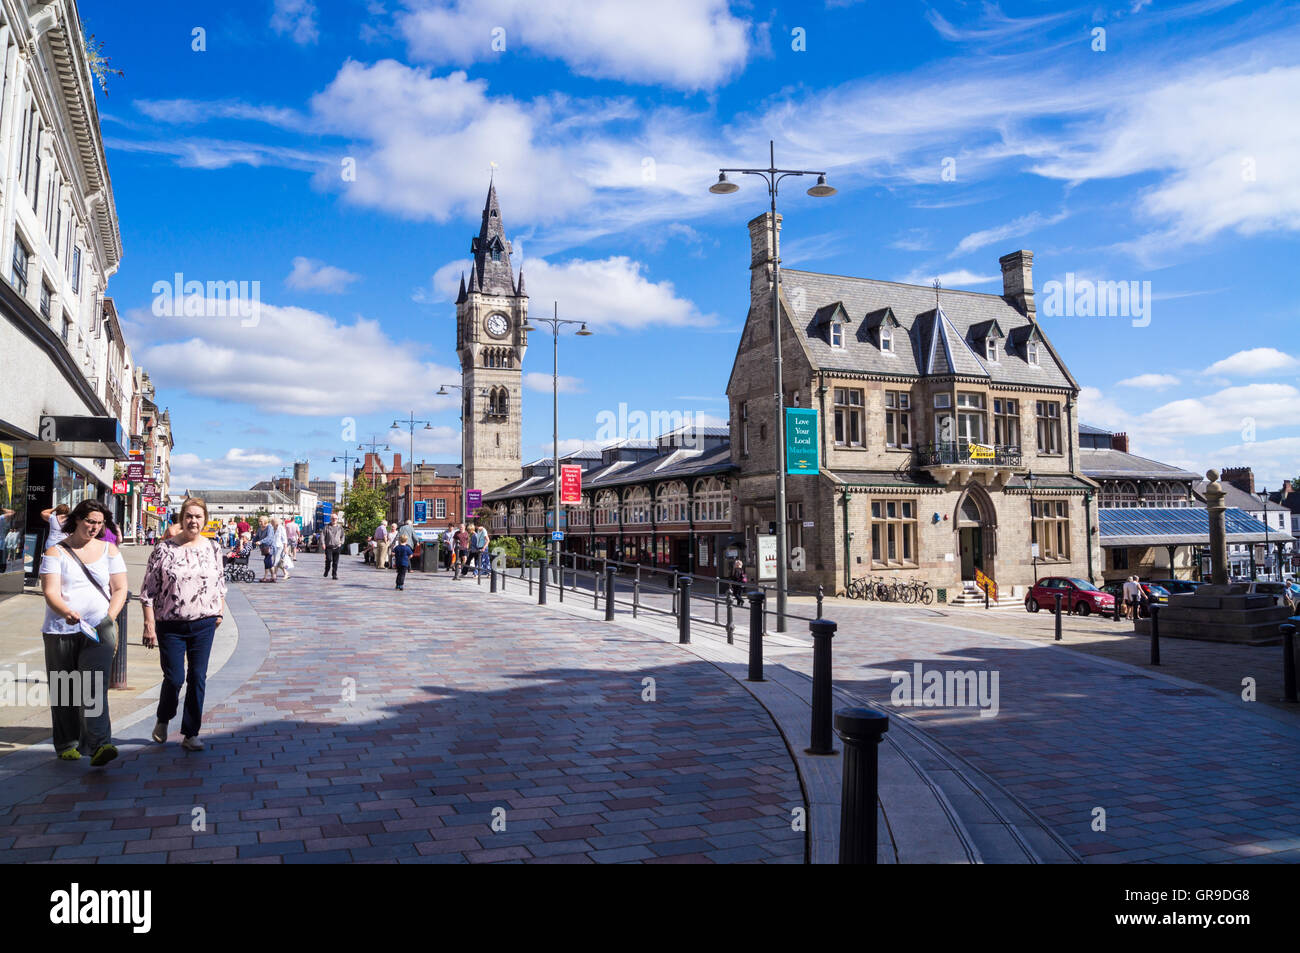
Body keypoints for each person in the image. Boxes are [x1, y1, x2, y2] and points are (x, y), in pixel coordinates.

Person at [39, 499, 128, 766]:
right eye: (90, 521)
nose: (94, 528)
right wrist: (65, 611)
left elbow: (120, 588)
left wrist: (109, 618)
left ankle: (100, 744)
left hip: (99, 629)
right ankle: (67, 743)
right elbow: (50, 591)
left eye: (99, 523)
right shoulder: (56, 552)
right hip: (60, 629)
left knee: (93, 687)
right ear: (77, 519)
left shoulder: (109, 550)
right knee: (65, 687)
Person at [140, 497, 227, 752]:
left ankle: (191, 733)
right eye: (189, 516)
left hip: (204, 622)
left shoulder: (213, 548)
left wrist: (218, 612)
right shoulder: (164, 549)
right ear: (181, 518)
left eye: (198, 517)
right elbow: (148, 590)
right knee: (175, 677)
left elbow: (219, 582)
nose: (193, 521)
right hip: (170, 624)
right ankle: (164, 717)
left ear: (205, 520)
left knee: (198, 677)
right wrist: (149, 623)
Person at [322, 515, 345, 580]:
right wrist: (323, 543)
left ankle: (334, 574)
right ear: (331, 519)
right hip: (329, 546)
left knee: (335, 562)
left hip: (337, 546)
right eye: (333, 518)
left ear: (337, 519)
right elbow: (322, 536)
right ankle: (327, 570)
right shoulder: (326, 527)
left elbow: (343, 536)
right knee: (329, 560)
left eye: (335, 518)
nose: (334, 519)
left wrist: (341, 543)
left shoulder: (340, 528)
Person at [256, 516, 275, 583]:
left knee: (266, 561)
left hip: (270, 547)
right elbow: (257, 537)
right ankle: (273, 576)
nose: (260, 523)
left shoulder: (269, 527)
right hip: (264, 548)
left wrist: (260, 542)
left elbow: (269, 537)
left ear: (265, 521)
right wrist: (252, 542)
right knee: (269, 562)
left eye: (261, 521)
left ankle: (265, 577)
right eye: (259, 521)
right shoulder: (260, 528)